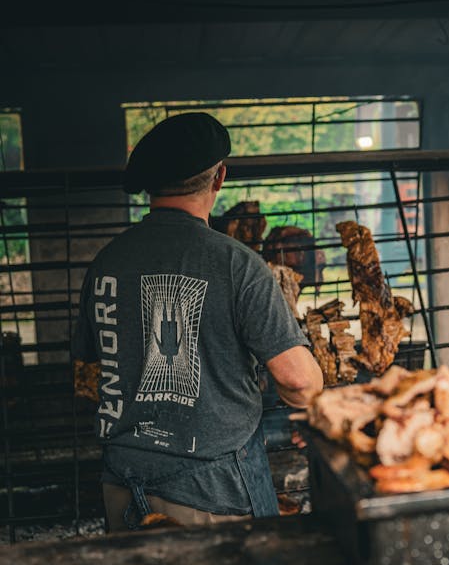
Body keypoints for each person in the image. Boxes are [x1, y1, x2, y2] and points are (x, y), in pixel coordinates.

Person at [72, 112, 323, 530]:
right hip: (212, 493)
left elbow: (91, 369)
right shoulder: (236, 264)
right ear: (219, 177)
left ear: (151, 185)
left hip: (121, 484)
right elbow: (299, 381)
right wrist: (311, 404)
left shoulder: (106, 263)